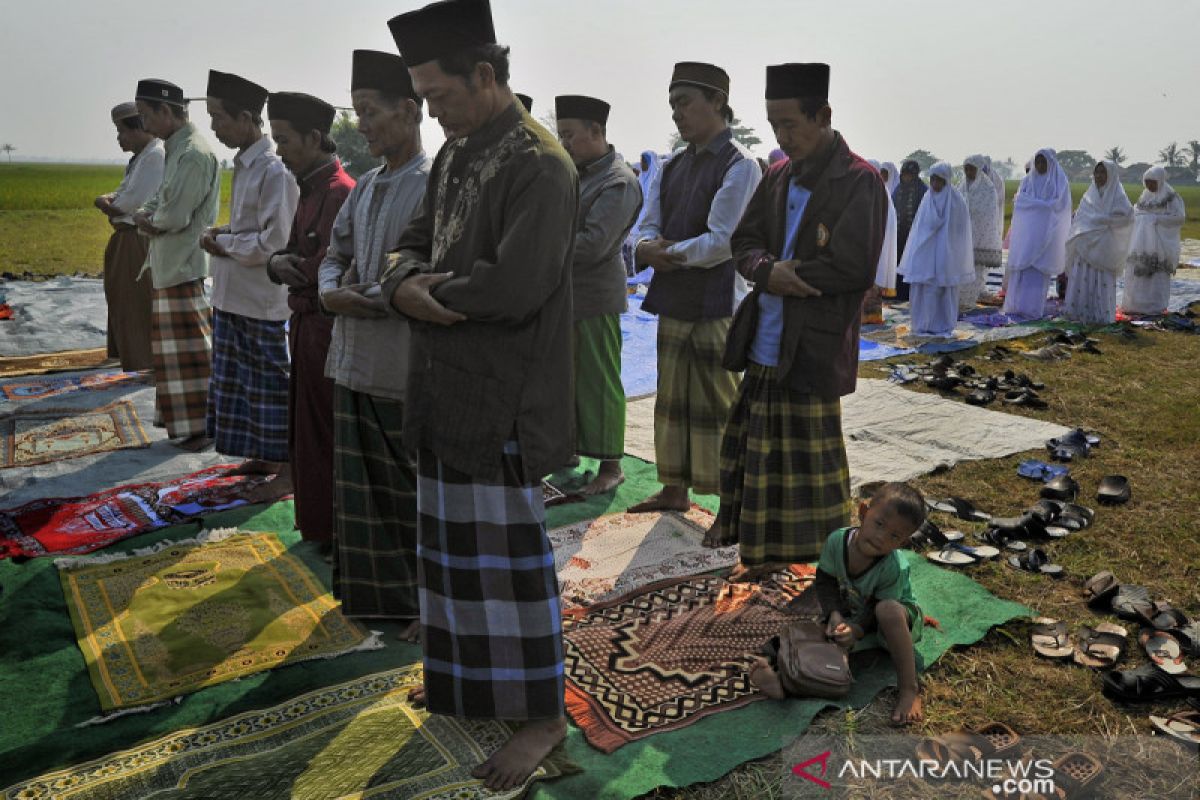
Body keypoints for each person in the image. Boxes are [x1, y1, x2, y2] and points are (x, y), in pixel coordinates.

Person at [383, 1, 578, 790]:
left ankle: (543, 718)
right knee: (451, 557)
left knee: (509, 569)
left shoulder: (541, 164)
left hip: (503, 394)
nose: (432, 113)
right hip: (440, 383)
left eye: (439, 97)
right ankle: (469, 682)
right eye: (425, 100)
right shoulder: (455, 153)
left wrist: (425, 293)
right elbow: (414, 238)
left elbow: (517, 286)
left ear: (486, 76)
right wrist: (401, 282)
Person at [711, 62, 887, 572]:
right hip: (765, 339)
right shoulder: (778, 176)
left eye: (790, 125)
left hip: (812, 344)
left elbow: (853, 266)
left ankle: (826, 567)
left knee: (811, 469)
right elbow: (743, 243)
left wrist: (793, 277)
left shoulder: (860, 182)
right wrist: (767, 273)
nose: (782, 137)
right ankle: (762, 559)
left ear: (824, 115)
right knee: (757, 460)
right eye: (773, 127)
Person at [316, 49, 431, 633]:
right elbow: (333, 256)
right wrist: (331, 292)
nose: (360, 126)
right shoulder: (364, 188)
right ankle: (374, 597)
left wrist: (377, 295)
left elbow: (433, 276)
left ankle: (419, 602)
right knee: (360, 493)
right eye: (357, 113)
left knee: (406, 493)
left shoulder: (433, 184)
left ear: (409, 111)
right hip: (352, 360)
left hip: (401, 364)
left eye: (369, 112)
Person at [629, 61, 761, 514]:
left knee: (718, 404)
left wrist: (665, 255)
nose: (676, 114)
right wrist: (645, 247)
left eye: (684, 103)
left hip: (718, 303)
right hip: (674, 300)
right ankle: (673, 490)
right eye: (672, 105)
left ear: (717, 102)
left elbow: (723, 241)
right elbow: (644, 226)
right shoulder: (670, 167)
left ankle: (731, 503)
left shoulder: (740, 166)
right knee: (672, 401)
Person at [748, 482, 927, 725]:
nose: (881, 537)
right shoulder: (836, 541)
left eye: (894, 535)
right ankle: (780, 680)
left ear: (902, 543)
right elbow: (825, 581)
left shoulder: (892, 566)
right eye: (879, 524)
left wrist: (857, 630)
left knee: (888, 610)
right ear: (864, 513)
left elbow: (877, 607)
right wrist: (835, 614)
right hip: (853, 613)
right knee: (810, 642)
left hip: (892, 624)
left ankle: (909, 688)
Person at [201, 70, 299, 490]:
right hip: (233, 296)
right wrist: (223, 232)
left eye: (219, 117)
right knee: (241, 385)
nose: (214, 127)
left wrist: (225, 244)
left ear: (246, 118)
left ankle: (282, 462)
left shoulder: (274, 171)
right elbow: (248, 226)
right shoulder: (245, 164)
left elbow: (274, 240)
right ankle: (260, 455)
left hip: (260, 300)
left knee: (268, 386)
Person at [265, 91, 355, 546]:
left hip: (326, 330)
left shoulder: (339, 192)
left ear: (315, 137)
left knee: (325, 432)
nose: (278, 150)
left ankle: (333, 529)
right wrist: (281, 262)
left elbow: (322, 270)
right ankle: (318, 524)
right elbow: (294, 253)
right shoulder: (311, 187)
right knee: (307, 429)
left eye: (284, 139)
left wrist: (284, 266)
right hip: (305, 326)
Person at [555, 94, 643, 494]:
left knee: (600, 381)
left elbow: (592, 244)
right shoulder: (580, 173)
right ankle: (568, 452)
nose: (565, 144)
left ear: (596, 132)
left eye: (570, 136)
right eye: (561, 136)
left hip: (595, 297)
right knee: (568, 379)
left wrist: (537, 247)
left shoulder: (619, 181)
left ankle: (611, 466)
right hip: (566, 296)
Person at [132, 79, 220, 451]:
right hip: (170, 265)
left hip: (183, 265)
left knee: (192, 356)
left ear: (166, 112)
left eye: (146, 115)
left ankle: (202, 429)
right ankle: (190, 426)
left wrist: (147, 219)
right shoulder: (176, 149)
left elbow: (172, 216)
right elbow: (154, 203)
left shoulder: (193, 154)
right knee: (175, 355)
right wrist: (146, 215)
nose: (144, 124)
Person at [94, 102, 164, 372]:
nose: (119, 138)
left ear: (139, 128)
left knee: (137, 302)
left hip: (137, 237)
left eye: (122, 131)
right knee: (124, 298)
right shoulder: (141, 157)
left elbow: (126, 203)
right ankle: (138, 358)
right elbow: (122, 196)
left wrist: (104, 202)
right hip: (128, 235)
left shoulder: (155, 156)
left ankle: (147, 361)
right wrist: (110, 202)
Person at [898, 161, 974, 337]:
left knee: (942, 290)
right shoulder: (927, 199)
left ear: (946, 180)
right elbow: (919, 228)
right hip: (925, 254)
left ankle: (942, 325)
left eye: (939, 180)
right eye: (933, 179)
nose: (935, 184)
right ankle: (922, 324)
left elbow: (960, 232)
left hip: (946, 256)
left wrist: (948, 250)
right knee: (924, 289)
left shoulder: (956, 201)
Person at [1002, 149, 1071, 320]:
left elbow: (1059, 206)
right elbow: (1019, 203)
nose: (1040, 166)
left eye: (1043, 162)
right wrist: (1040, 206)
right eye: (1037, 162)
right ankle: (1016, 307)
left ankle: (1032, 310)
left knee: (1037, 274)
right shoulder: (1027, 180)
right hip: (1026, 234)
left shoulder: (1058, 181)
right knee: (1022, 270)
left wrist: (1036, 206)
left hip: (1046, 234)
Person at [1063, 160, 1133, 324]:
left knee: (1101, 279)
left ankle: (1100, 314)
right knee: (1083, 278)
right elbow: (1081, 217)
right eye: (1097, 172)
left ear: (1111, 175)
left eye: (1103, 173)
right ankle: (1080, 312)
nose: (1099, 176)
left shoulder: (1118, 196)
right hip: (1085, 242)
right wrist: (1094, 222)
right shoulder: (1089, 196)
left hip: (1104, 246)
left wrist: (1104, 220)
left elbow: (1127, 216)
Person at [1121, 165, 1186, 315]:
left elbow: (1179, 218)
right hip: (1140, 244)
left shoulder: (1171, 197)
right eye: (1147, 182)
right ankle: (1135, 305)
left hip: (1160, 244)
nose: (1149, 185)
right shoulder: (1144, 197)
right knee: (1137, 272)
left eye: (1152, 182)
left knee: (1156, 274)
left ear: (1160, 180)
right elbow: (1135, 212)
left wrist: (1155, 219)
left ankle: (1154, 306)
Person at [959, 154, 1002, 309]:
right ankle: (961, 301)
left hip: (979, 236)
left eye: (971, 169)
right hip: (964, 236)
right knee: (962, 270)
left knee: (976, 271)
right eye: (966, 169)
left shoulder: (988, 187)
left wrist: (971, 212)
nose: (969, 173)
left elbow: (989, 214)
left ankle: (969, 301)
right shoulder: (962, 185)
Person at [861, 159, 897, 323]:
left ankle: (871, 316)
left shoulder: (882, 193)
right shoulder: (861, 190)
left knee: (873, 282)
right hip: (862, 244)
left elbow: (887, 225)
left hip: (877, 246)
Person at [892, 160, 927, 302]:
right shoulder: (898, 190)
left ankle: (910, 294)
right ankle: (897, 292)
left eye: (909, 175)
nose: (906, 178)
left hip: (914, 236)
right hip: (899, 235)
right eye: (904, 174)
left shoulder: (922, 191)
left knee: (911, 264)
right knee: (898, 263)